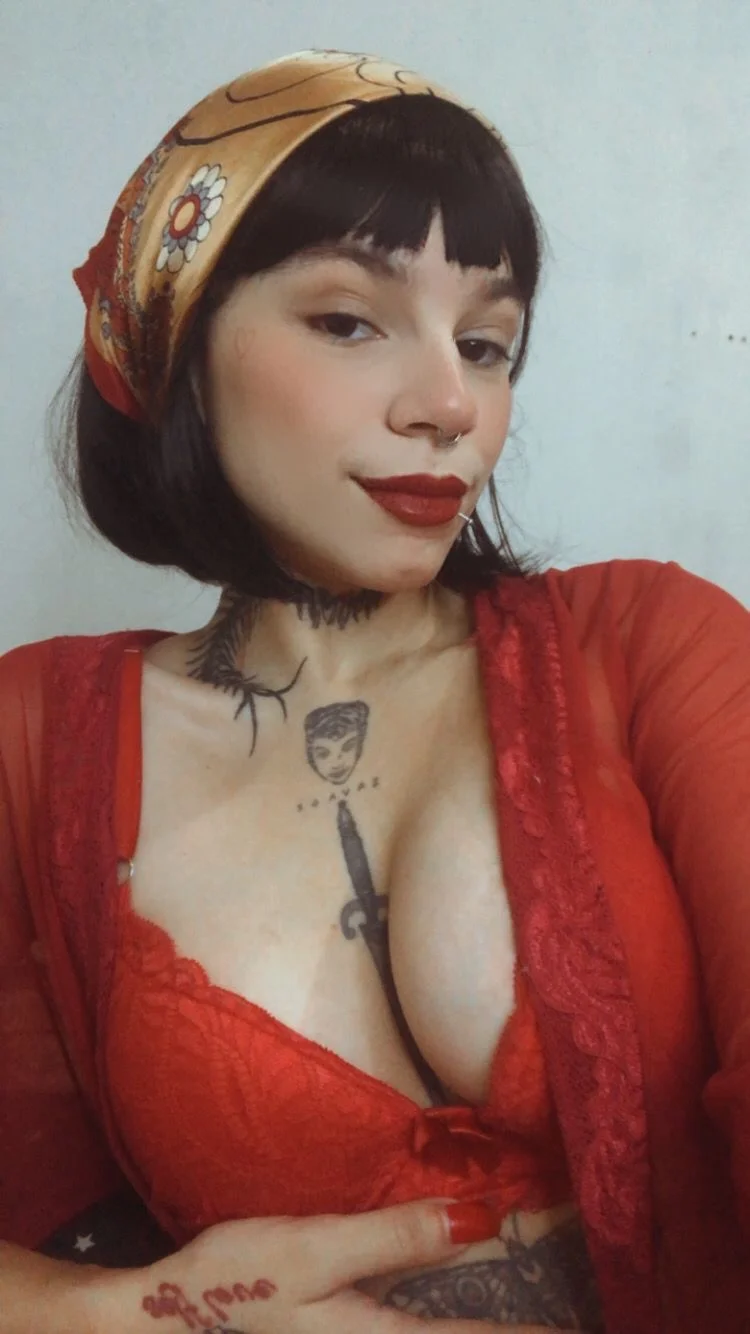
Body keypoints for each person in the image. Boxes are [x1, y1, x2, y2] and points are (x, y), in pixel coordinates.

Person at [0, 47, 748, 1334]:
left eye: (487, 342)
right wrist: (133, 1311)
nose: (450, 402)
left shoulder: (647, 647)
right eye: (349, 320)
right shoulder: (34, 742)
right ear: (176, 341)